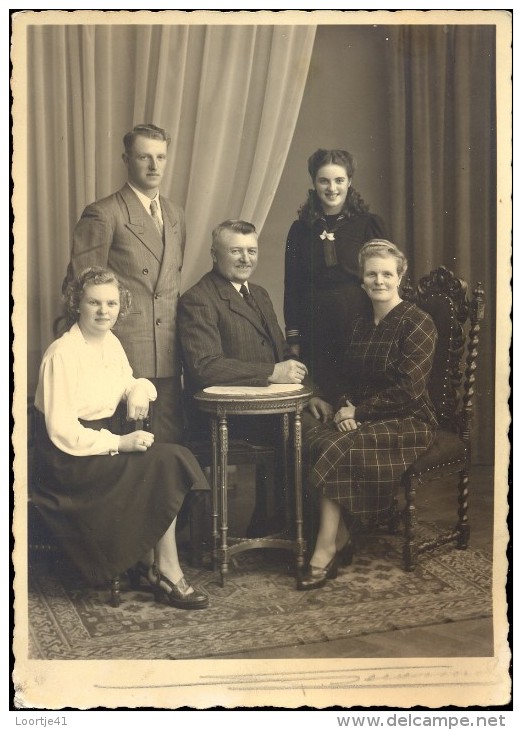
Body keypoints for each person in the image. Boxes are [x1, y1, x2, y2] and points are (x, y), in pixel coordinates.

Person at [32, 267, 209, 610]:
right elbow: (62, 432)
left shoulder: (110, 342)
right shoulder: (62, 353)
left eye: (111, 303)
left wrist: (139, 388)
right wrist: (119, 443)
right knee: (166, 461)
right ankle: (165, 570)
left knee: (169, 459)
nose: (103, 311)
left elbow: (126, 380)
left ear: (120, 306)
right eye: (94, 302)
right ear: (76, 304)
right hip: (68, 463)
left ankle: (157, 563)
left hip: (97, 446)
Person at [298, 240, 438, 591]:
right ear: (362, 281)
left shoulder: (417, 322)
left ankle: (327, 545)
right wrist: (347, 408)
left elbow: (411, 389)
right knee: (316, 436)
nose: (379, 281)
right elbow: (347, 378)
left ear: (400, 278)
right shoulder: (360, 324)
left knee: (335, 447)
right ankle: (341, 532)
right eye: (371, 274)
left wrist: (358, 412)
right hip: (365, 416)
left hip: (411, 421)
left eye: (387, 274)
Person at [178, 219, 310, 535]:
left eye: (251, 251)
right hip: (227, 417)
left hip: (268, 409)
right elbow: (205, 367)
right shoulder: (198, 299)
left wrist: (308, 392)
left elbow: (280, 352)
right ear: (214, 254)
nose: (245, 259)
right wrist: (271, 373)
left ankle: (286, 526)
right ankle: (297, 530)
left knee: (319, 432)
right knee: (310, 438)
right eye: (235, 251)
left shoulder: (260, 294)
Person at [62, 123, 185, 443]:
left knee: (165, 449)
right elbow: (80, 288)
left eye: (161, 157)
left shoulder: (175, 214)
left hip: (170, 355)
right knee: (130, 450)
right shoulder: (104, 214)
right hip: (122, 354)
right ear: (126, 159)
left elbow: (170, 285)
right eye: (145, 157)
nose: (154, 165)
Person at [284, 148, 387, 402]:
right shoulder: (299, 230)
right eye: (324, 181)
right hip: (315, 328)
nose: (332, 188)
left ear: (349, 182)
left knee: (356, 399)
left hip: (359, 324)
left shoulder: (369, 225)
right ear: (314, 183)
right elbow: (292, 286)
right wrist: (294, 338)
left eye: (339, 180)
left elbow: (384, 277)